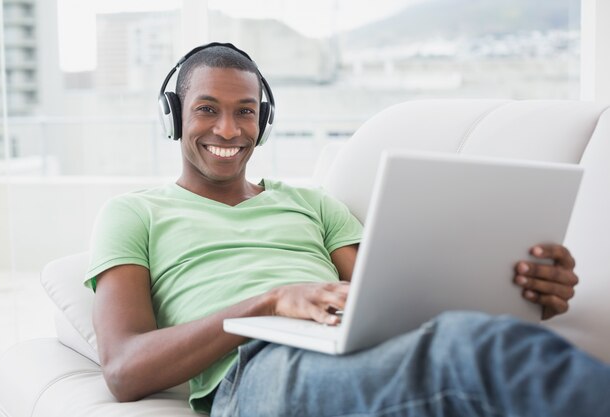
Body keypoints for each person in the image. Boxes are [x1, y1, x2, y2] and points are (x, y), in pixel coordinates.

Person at [85, 42, 610, 417]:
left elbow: (394, 300)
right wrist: (268, 303)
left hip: (352, 352)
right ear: (173, 117)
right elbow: (125, 370)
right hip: (253, 375)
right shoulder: (134, 214)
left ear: (262, 122)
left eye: (245, 112)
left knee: (488, 342)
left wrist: (525, 294)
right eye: (207, 110)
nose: (228, 129)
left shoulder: (314, 204)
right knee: (478, 353)